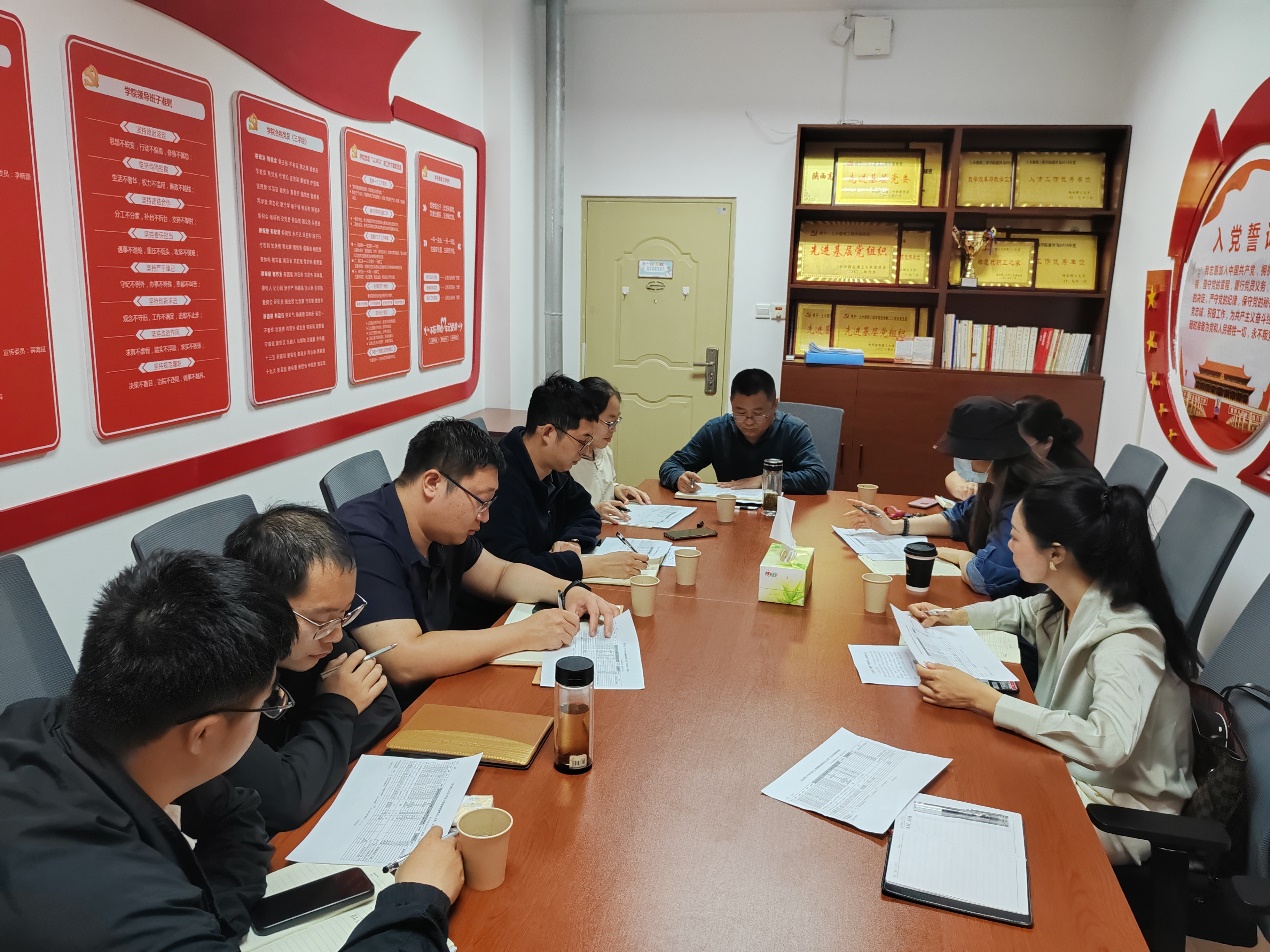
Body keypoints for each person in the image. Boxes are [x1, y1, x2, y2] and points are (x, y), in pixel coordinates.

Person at [0, 551, 463, 951]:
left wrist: (212, 919)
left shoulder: (60, 721)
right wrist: (417, 898)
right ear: (203, 735)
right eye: (269, 702)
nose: (270, 710)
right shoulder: (118, 912)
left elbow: (237, 815)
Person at [907, 471, 1199, 866]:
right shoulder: (1070, 598)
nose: (1008, 544)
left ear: (1056, 554)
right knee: (963, 772)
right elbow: (1020, 611)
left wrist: (984, 699)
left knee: (967, 809)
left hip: (1119, 809)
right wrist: (955, 616)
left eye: (1016, 536)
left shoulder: (1127, 640)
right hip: (1071, 772)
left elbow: (1108, 744)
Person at [337, 416, 622, 702]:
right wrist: (524, 634)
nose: (485, 517)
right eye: (481, 502)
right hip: (400, 710)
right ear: (433, 483)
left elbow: (500, 575)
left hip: (442, 687)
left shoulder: (442, 528)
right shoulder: (363, 539)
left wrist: (568, 590)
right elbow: (404, 660)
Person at [223, 504, 401, 833]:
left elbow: (384, 708)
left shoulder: (321, 632)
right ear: (260, 605)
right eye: (322, 621)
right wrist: (338, 707)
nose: (337, 636)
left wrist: (302, 763)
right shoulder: (218, 672)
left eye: (344, 614)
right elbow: (285, 800)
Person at [850, 395, 1052, 599]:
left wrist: (959, 555)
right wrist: (894, 526)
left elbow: (984, 578)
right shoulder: (994, 484)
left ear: (993, 454)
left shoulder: (1028, 501)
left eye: (966, 455)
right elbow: (959, 518)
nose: (960, 461)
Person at [477, 373, 647, 580]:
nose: (585, 451)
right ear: (548, 432)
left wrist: (572, 540)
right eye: (582, 441)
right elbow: (510, 566)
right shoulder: (498, 481)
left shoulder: (553, 470)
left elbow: (586, 512)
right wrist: (592, 566)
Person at [658, 368, 831, 494]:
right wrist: (678, 477)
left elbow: (819, 477)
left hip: (778, 514)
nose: (748, 421)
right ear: (731, 403)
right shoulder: (716, 430)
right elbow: (670, 465)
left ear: (774, 405)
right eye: (740, 413)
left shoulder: (793, 430)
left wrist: (764, 480)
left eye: (758, 414)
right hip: (729, 514)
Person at [943, 394, 1091, 499]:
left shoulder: (1065, 484)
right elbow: (957, 475)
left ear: (1047, 443)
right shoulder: (1017, 460)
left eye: (1020, 444)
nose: (1011, 449)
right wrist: (963, 489)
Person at [573, 376, 652, 524]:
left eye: (617, 421)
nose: (614, 429)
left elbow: (600, 487)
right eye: (609, 422)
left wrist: (617, 489)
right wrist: (593, 511)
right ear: (586, 417)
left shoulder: (604, 450)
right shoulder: (567, 461)